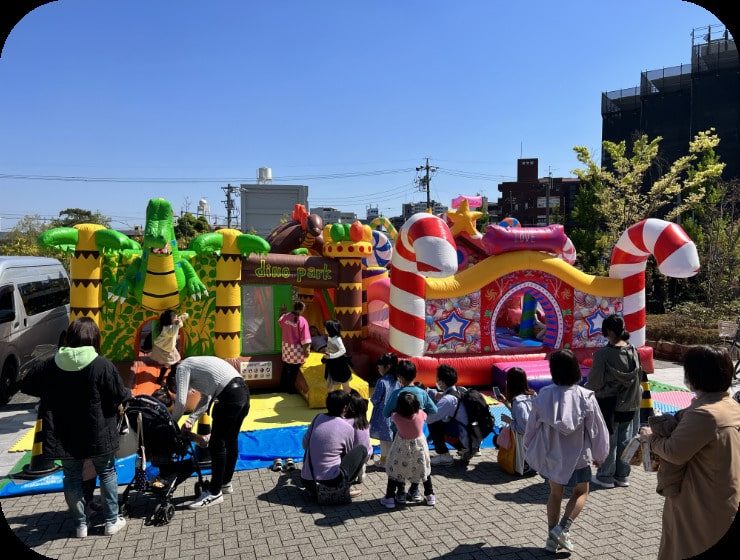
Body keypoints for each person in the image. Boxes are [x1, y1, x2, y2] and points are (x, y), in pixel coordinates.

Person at [19, 317, 131, 538]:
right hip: (99, 430)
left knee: (71, 476)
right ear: (95, 338)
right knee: (106, 472)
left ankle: (80, 525)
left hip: (64, 432)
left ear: (69, 338)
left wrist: (50, 393)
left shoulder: (51, 364)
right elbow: (119, 394)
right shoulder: (102, 364)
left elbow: (27, 383)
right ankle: (111, 521)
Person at [641, 345, 740, 560]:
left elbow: (674, 452)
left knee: (684, 546)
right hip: (723, 493)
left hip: (699, 498)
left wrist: (651, 438)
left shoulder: (704, 414)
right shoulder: (731, 406)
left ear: (693, 375)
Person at [524, 349, 609, 553]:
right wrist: (600, 454)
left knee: (555, 493)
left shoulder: (544, 395)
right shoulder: (585, 396)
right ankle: (562, 529)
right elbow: (597, 429)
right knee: (581, 492)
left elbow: (531, 428)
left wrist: (529, 448)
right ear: (575, 369)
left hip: (552, 454)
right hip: (578, 456)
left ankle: (551, 538)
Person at [167, 356, 250, 509]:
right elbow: (205, 400)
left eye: (176, 387)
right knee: (231, 440)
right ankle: (225, 483)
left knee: (216, 446)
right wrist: (191, 420)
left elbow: (181, 402)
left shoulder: (181, 369)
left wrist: (171, 425)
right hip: (243, 392)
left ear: (174, 379)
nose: (181, 389)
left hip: (229, 396)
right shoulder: (197, 367)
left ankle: (214, 493)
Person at [585, 314, 642, 489]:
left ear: (609, 331)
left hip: (609, 403)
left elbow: (594, 382)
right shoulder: (633, 351)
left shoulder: (603, 355)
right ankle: (622, 475)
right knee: (626, 439)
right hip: (631, 402)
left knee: (608, 440)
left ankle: (606, 476)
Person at [300, 390, 368, 501]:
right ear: (345, 407)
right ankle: (344, 488)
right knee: (362, 450)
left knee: (311, 447)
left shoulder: (317, 418)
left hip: (307, 481)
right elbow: (347, 456)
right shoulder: (347, 427)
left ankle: (315, 490)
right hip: (331, 482)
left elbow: (305, 445)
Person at [382, 391, 435, 508]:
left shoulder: (396, 417)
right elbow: (425, 413)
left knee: (396, 470)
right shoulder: (421, 414)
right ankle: (430, 495)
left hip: (402, 447)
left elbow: (390, 413)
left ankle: (390, 498)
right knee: (423, 469)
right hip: (419, 446)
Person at [425, 364, 470, 466]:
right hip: (470, 434)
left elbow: (430, 418)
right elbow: (439, 396)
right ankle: (464, 449)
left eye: (438, 378)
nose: (437, 381)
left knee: (434, 423)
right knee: (445, 420)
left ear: (442, 382)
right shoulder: (458, 391)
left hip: (464, 438)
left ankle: (444, 455)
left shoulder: (448, 400)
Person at [496, 366, 536, 474]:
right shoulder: (532, 395)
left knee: (502, 432)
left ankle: (523, 464)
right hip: (536, 436)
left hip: (522, 439)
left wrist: (509, 421)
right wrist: (506, 402)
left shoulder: (518, 402)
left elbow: (523, 427)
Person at [369, 353, 400, 467]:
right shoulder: (397, 381)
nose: (378, 369)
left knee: (383, 440)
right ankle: (391, 460)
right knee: (391, 438)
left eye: (379, 367)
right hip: (395, 414)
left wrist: (373, 401)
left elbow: (375, 399)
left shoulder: (381, 382)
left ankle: (384, 461)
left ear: (387, 367)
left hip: (382, 415)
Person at [278, 301, 311, 394]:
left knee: (286, 366)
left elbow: (280, 322)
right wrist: (307, 352)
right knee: (294, 370)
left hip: (286, 347)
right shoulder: (302, 320)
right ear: (302, 309)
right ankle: (291, 389)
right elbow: (305, 339)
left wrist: (282, 313)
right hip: (296, 349)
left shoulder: (286, 316)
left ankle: (282, 387)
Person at [344, 389, 373, 493]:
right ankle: (361, 474)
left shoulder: (347, 423)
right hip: (367, 453)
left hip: (354, 456)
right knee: (361, 462)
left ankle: (352, 476)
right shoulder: (365, 422)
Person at [150, 309, 188, 385]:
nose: (175, 315)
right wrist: (176, 323)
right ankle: (163, 379)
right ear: (169, 319)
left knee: (175, 361)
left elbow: (181, 324)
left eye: (175, 314)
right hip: (164, 348)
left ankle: (171, 375)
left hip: (170, 348)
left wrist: (182, 317)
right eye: (173, 315)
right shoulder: (166, 328)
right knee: (169, 364)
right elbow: (172, 333)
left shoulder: (174, 324)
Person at [322, 319, 352, 394]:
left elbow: (343, 350)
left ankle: (348, 398)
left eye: (325, 327)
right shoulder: (330, 337)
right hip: (331, 364)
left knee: (345, 385)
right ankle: (331, 399)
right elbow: (331, 348)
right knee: (329, 385)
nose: (324, 328)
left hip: (339, 365)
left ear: (330, 329)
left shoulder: (337, 339)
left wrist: (331, 356)